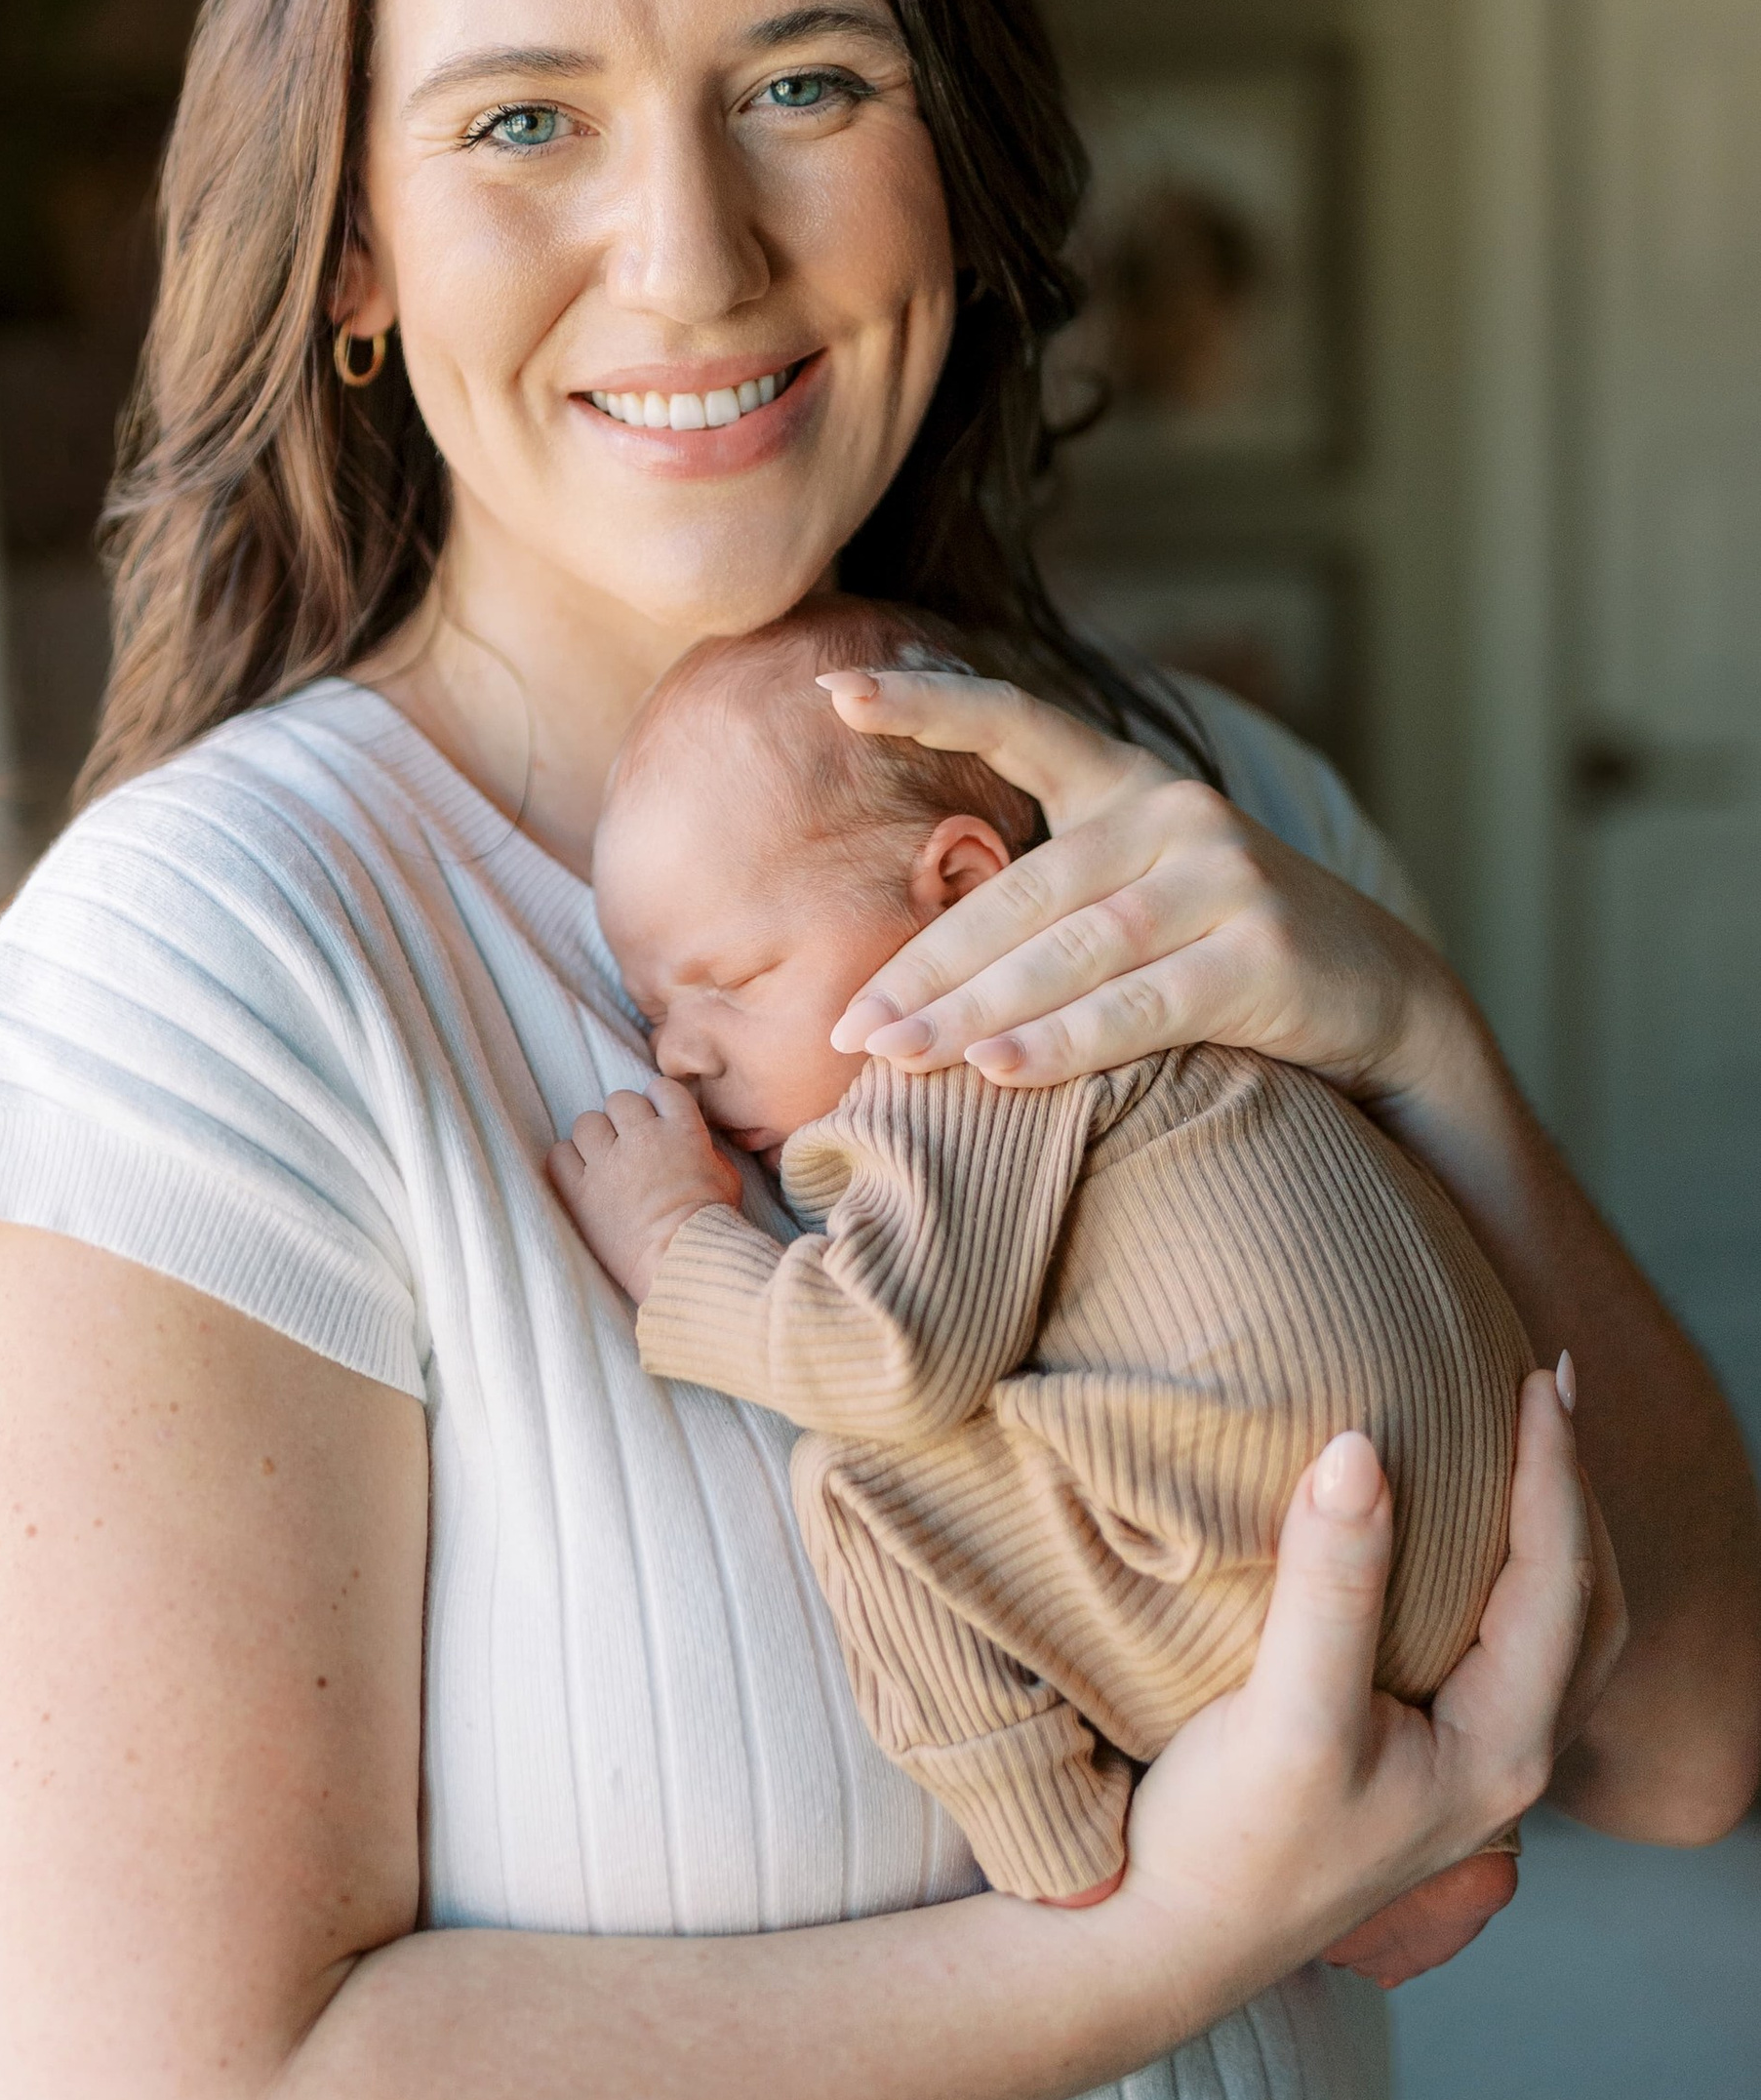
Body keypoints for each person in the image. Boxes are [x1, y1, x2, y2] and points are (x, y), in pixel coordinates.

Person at [0, 0, 1761, 2100]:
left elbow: (1692, 1735)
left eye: (805, 84)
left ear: (957, 164)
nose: (692, 252)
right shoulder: (204, 991)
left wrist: (1423, 1048)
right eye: (527, 122)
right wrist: (1161, 1942)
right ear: (359, 256)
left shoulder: (1199, 811)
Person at [548, 596, 1533, 1910]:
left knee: (862, 1482)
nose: (679, 1049)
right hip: (1462, 1546)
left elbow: (887, 1355)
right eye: (649, 1006)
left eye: (730, 978)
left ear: (955, 887)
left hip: (1264, 1580)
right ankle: (1428, 1843)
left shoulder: (966, 1039)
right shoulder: (1178, 973)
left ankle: (1062, 1845)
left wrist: (675, 1238)